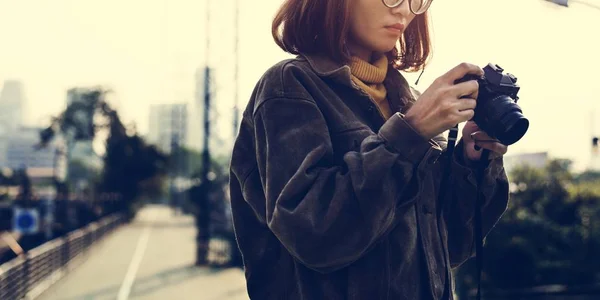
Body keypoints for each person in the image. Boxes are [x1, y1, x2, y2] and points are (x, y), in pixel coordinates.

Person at [228, 0, 510, 299]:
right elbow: (314, 236)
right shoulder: (289, 85)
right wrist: (408, 134)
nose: (404, 10)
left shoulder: (410, 101)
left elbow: (448, 248)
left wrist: (471, 162)